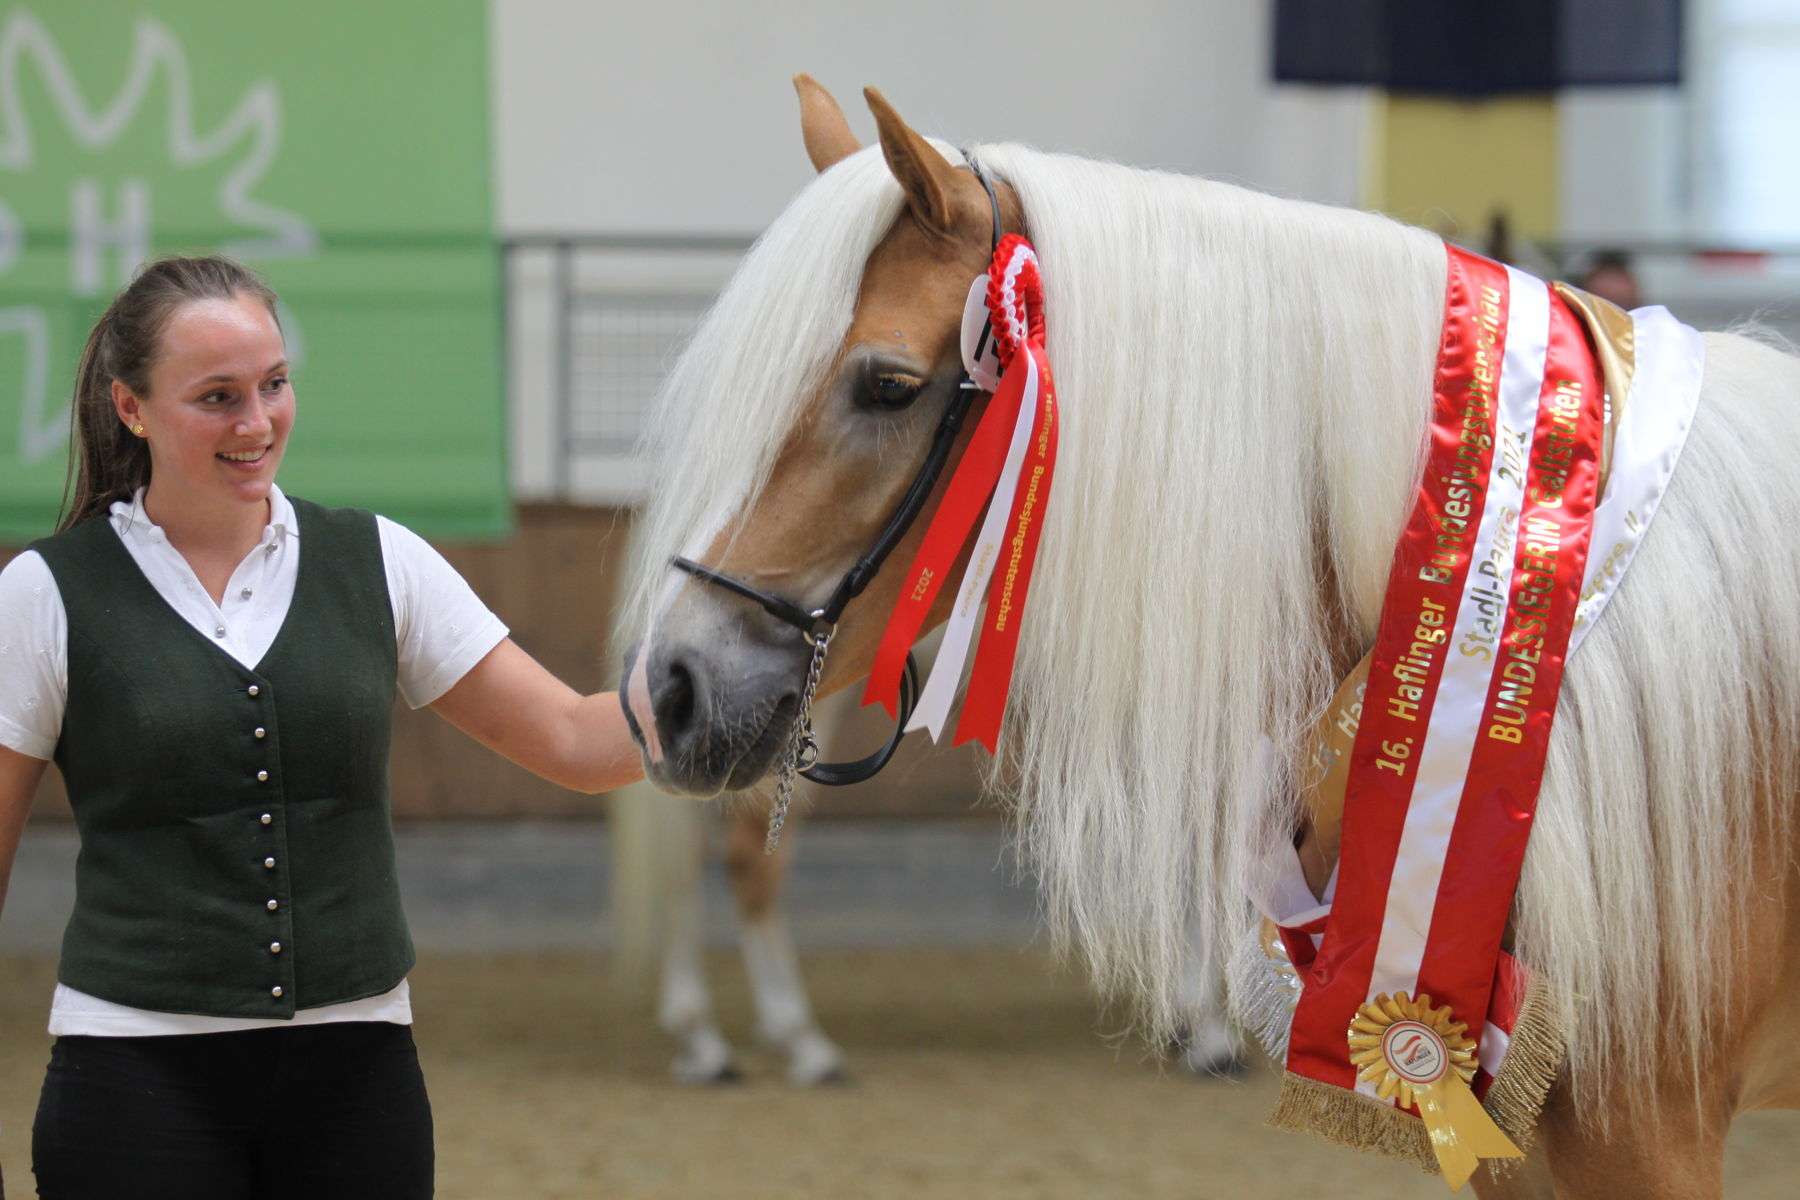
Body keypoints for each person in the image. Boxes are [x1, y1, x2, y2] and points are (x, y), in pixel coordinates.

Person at [0, 255, 646, 1199]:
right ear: (131, 408)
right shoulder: (43, 593)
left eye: (274, 384)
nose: (257, 423)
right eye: (217, 396)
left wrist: (762, 680)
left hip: (359, 1075)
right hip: (131, 1075)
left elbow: (580, 745)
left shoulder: (380, 561)